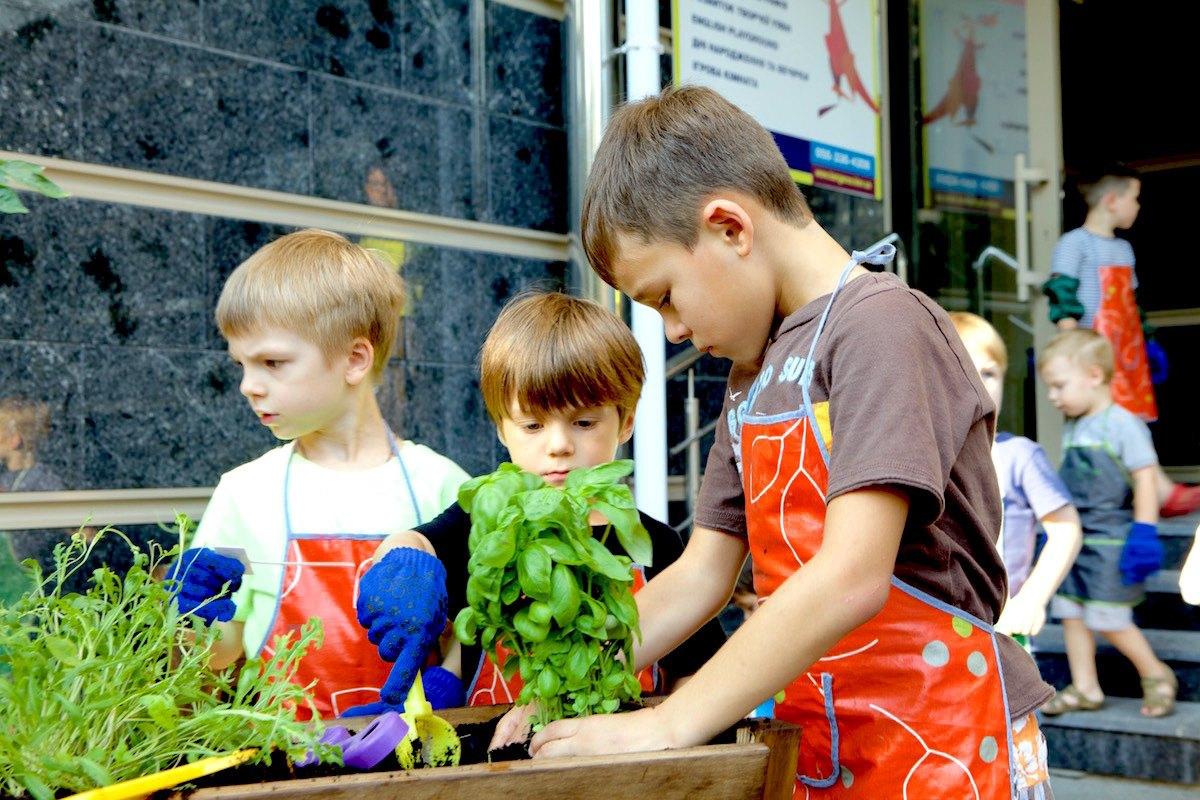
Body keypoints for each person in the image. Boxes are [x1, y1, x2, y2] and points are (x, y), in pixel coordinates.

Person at [496, 85, 1055, 799]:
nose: (670, 330)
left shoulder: (881, 326)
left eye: (665, 295)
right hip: (829, 741)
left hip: (945, 742)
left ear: (730, 227)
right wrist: (577, 678)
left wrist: (667, 722)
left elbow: (851, 574)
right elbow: (702, 574)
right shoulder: (750, 375)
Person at [359, 291, 727, 714]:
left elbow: (693, 670)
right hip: (497, 761)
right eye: (532, 425)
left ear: (625, 423)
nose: (558, 446)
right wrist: (402, 562)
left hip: (626, 762)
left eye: (584, 422)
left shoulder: (655, 545)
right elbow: (417, 542)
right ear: (502, 428)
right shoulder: (483, 522)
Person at [168, 229, 469, 720]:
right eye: (240, 364)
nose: (248, 385)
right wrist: (194, 617)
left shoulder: (442, 486)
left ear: (354, 359)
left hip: (419, 766)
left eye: (272, 362)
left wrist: (449, 680)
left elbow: (473, 627)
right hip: (284, 766)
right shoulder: (244, 495)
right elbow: (219, 655)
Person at [1042, 164, 1200, 516]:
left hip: (1126, 350)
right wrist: (1073, 347)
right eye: (1134, 198)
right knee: (1105, 417)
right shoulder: (1074, 244)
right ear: (1112, 200)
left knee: (1131, 419)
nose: (1138, 206)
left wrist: (1148, 342)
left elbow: (1131, 301)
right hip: (1095, 348)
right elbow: (1062, 293)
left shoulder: (1125, 250)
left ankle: (1151, 488)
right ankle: (1154, 490)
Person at [1037, 329, 1177, 719]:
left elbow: (1146, 479)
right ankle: (1085, 687)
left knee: (1107, 617)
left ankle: (1157, 674)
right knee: (1070, 611)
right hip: (1078, 539)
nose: (1052, 396)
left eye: (1059, 386)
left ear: (1094, 376)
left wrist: (1145, 531)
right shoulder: (1074, 426)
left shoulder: (1124, 425)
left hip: (1113, 541)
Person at [949, 313, 1083, 646]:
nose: (979, 384)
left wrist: (1033, 598)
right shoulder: (922, 457)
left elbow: (1065, 530)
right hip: (939, 627)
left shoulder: (1020, 456)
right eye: (962, 371)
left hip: (1005, 628)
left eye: (989, 373)